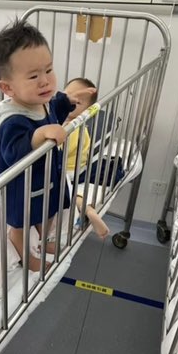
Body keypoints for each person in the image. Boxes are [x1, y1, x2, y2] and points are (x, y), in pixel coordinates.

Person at [0, 19, 81, 271]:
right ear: (7, 88)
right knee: (21, 224)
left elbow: (55, 107)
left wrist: (67, 101)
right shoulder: (12, 119)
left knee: (47, 211)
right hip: (21, 186)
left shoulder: (43, 101)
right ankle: (24, 254)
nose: (45, 81)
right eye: (33, 76)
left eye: (48, 70)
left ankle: (43, 239)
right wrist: (39, 135)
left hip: (46, 177)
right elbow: (13, 152)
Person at [63, 78, 110, 241]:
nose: (70, 102)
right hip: (78, 168)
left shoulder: (70, 129)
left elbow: (57, 151)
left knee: (64, 192)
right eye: (67, 96)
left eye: (77, 102)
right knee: (70, 191)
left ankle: (88, 210)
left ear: (87, 110)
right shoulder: (80, 126)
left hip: (67, 171)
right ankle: (87, 209)